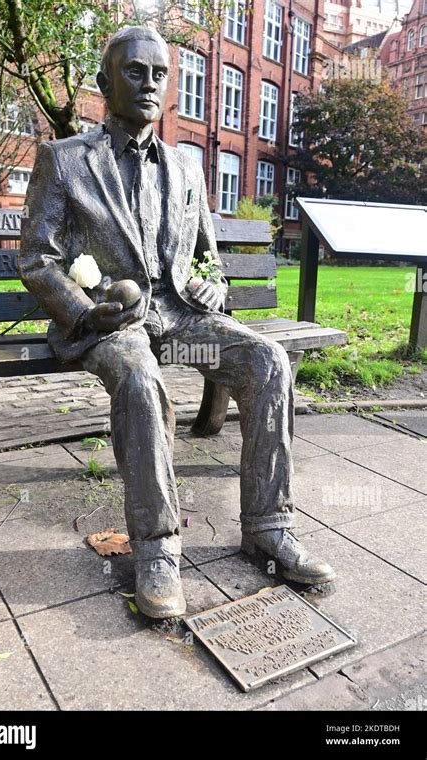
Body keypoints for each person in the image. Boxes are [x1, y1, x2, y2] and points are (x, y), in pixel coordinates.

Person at [19, 25, 336, 619]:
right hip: (111, 324)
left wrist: (212, 281)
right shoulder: (63, 161)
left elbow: (206, 254)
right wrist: (86, 310)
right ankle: (157, 548)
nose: (149, 83)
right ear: (104, 82)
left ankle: (268, 526)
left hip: (181, 319)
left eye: (160, 74)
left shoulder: (188, 166)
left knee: (266, 360)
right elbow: (37, 258)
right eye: (134, 71)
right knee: (142, 383)